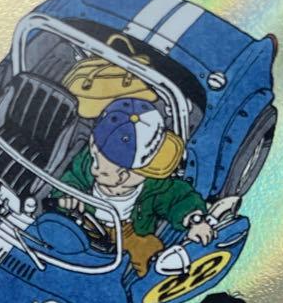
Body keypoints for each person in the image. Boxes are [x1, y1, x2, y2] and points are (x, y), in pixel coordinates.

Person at [56, 97, 214, 276]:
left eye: (134, 173)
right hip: (83, 220)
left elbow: (178, 197)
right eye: (101, 167)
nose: (123, 180)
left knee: (147, 252)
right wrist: (67, 196)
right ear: (93, 148)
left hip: (130, 231)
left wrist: (194, 220)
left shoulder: (154, 185)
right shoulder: (86, 162)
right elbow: (71, 178)